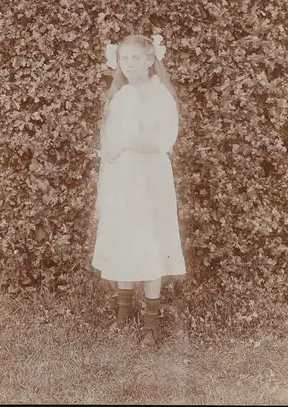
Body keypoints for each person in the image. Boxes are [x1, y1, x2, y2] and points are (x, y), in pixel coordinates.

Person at [92, 34, 186, 345]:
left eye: (135, 58)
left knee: (150, 240)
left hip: (150, 180)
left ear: (149, 60)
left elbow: (164, 140)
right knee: (123, 238)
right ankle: (123, 314)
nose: (129, 64)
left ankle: (152, 323)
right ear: (117, 63)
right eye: (124, 59)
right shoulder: (121, 96)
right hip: (123, 179)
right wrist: (109, 163)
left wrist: (127, 144)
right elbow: (110, 141)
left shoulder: (160, 97)